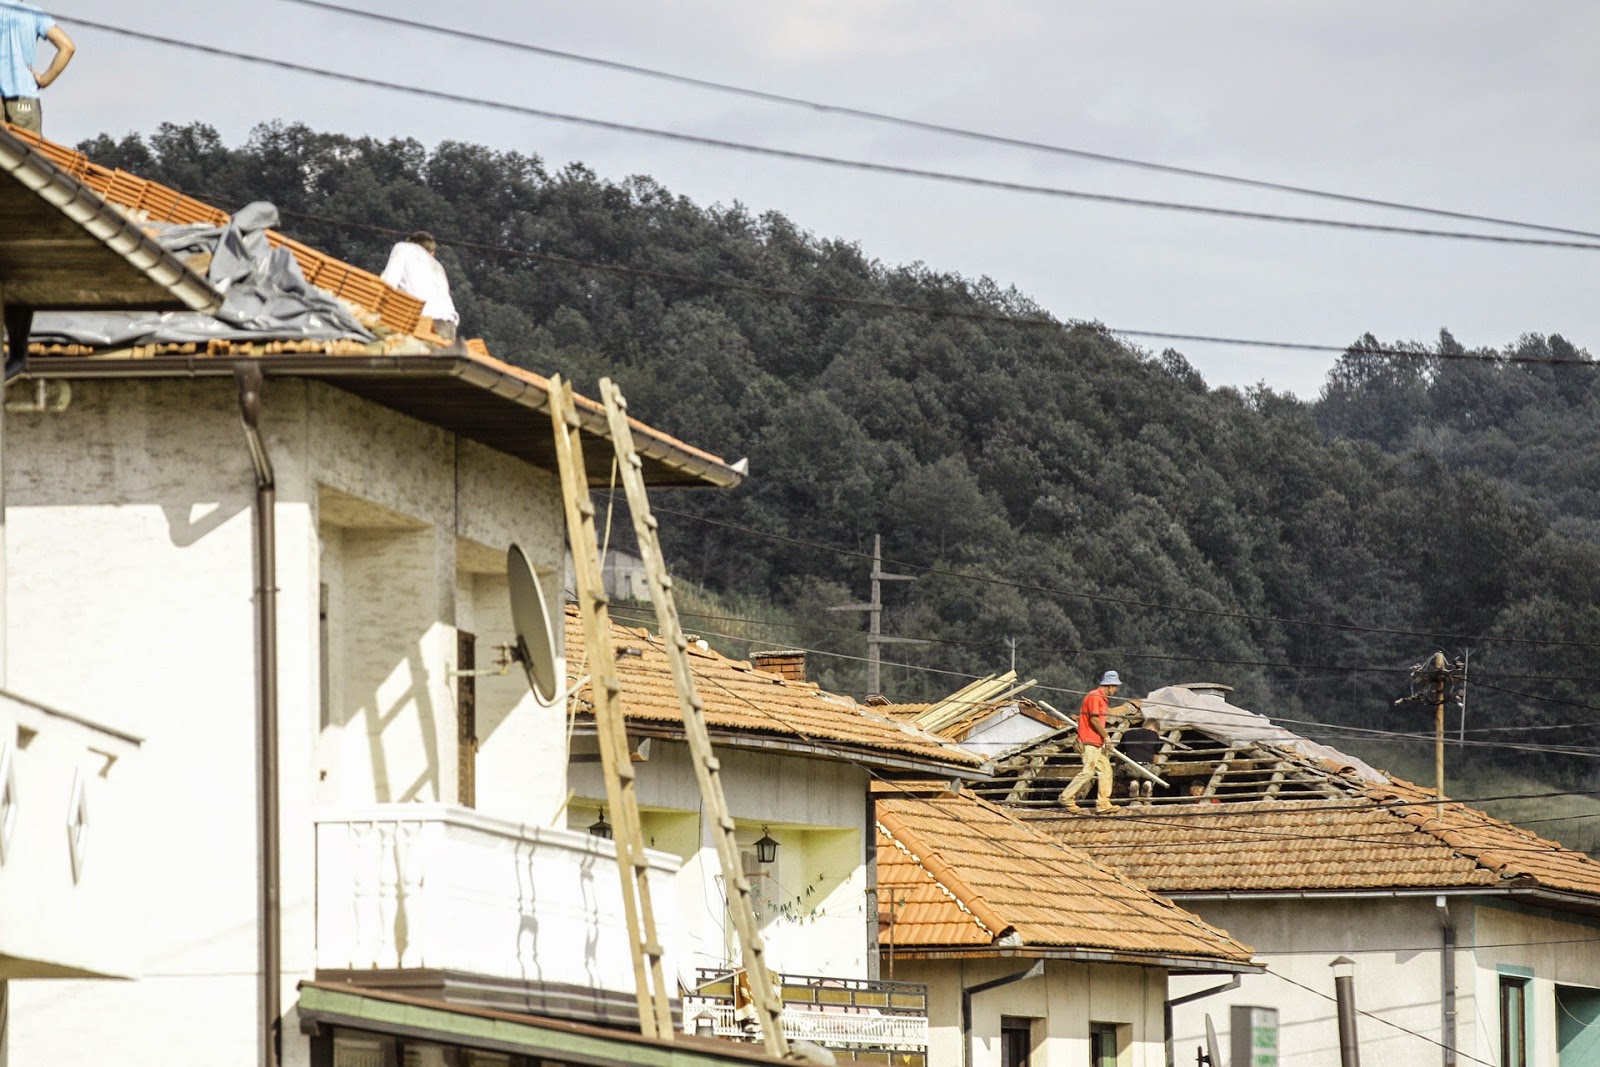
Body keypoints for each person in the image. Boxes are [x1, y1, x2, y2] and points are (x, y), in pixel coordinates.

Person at [0, 1, 74, 135]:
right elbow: (67, 47)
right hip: (24, 96)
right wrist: (44, 80)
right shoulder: (33, 14)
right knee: (29, 153)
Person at [1060, 670, 1124, 814]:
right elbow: (1094, 719)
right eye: (1115, 687)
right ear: (1109, 685)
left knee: (1106, 771)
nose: (1116, 690)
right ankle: (1066, 797)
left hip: (1096, 742)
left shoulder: (1102, 699)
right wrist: (1106, 737)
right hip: (1088, 741)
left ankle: (1103, 804)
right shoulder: (1095, 696)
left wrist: (1102, 740)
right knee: (1088, 772)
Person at [380, 231, 460, 341]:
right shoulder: (438, 266)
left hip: (422, 322)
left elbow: (387, 285)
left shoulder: (402, 249)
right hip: (449, 327)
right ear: (432, 252)